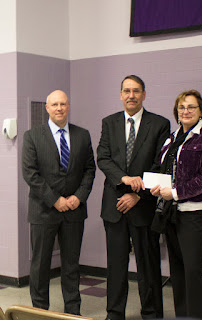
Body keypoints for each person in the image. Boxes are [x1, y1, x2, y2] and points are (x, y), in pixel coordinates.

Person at [97, 75, 170, 320]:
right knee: (115, 267)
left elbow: (161, 165)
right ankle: (114, 313)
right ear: (120, 94)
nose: (131, 95)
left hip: (144, 206)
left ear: (144, 94)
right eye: (127, 91)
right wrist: (124, 180)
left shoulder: (159, 124)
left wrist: (138, 196)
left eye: (136, 91)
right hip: (115, 206)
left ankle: (151, 314)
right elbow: (103, 158)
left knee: (148, 266)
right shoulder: (109, 123)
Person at [151, 90, 202, 320]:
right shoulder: (172, 138)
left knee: (193, 270)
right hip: (172, 212)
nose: (186, 111)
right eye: (182, 107)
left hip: (196, 211)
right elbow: (165, 170)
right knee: (178, 271)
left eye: (191, 107)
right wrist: (157, 186)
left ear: (201, 110)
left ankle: (201, 316)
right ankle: (183, 316)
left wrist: (175, 192)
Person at [22, 90, 96, 315]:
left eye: (63, 104)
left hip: (74, 211)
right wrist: (55, 200)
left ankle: (73, 312)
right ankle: (39, 312)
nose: (59, 108)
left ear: (68, 106)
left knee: (71, 266)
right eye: (54, 104)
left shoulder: (82, 135)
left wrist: (78, 197)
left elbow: (89, 170)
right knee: (40, 266)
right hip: (43, 211)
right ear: (47, 108)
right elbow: (30, 174)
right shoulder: (32, 136)